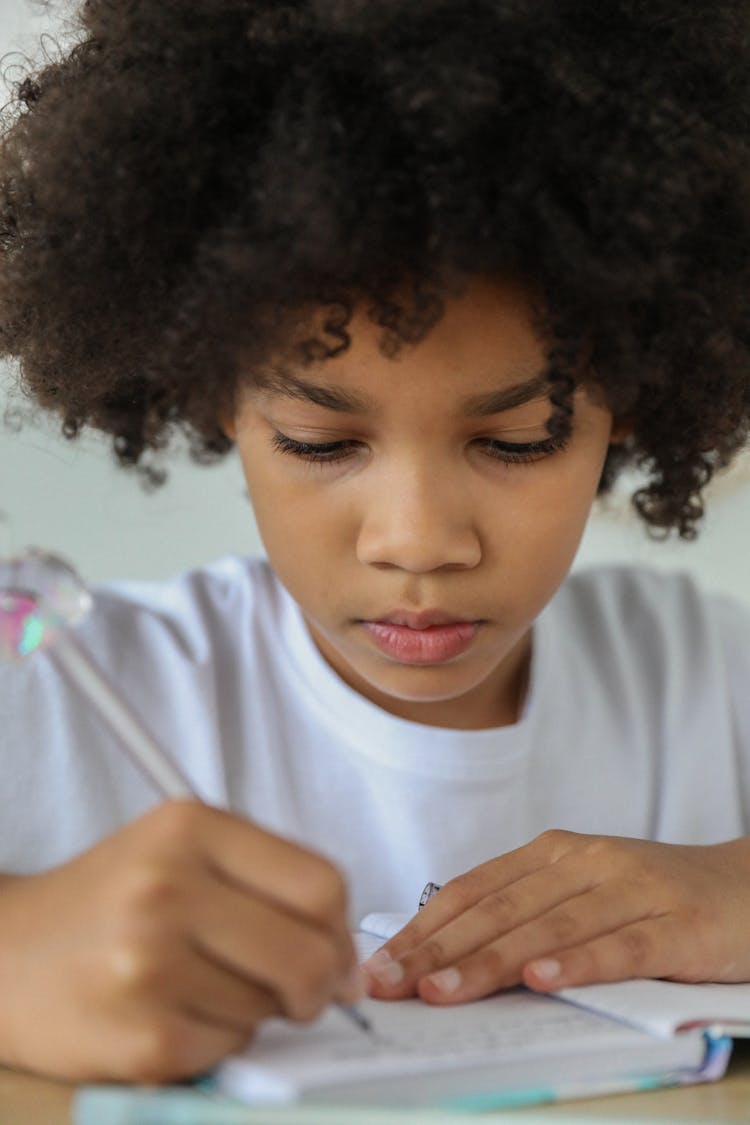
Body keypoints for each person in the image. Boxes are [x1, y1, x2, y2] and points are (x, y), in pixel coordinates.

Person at [0, 0, 749, 1086]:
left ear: (628, 400)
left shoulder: (704, 681)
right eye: (319, 440)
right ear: (219, 395)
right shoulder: (59, 696)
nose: (420, 541)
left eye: (518, 439)